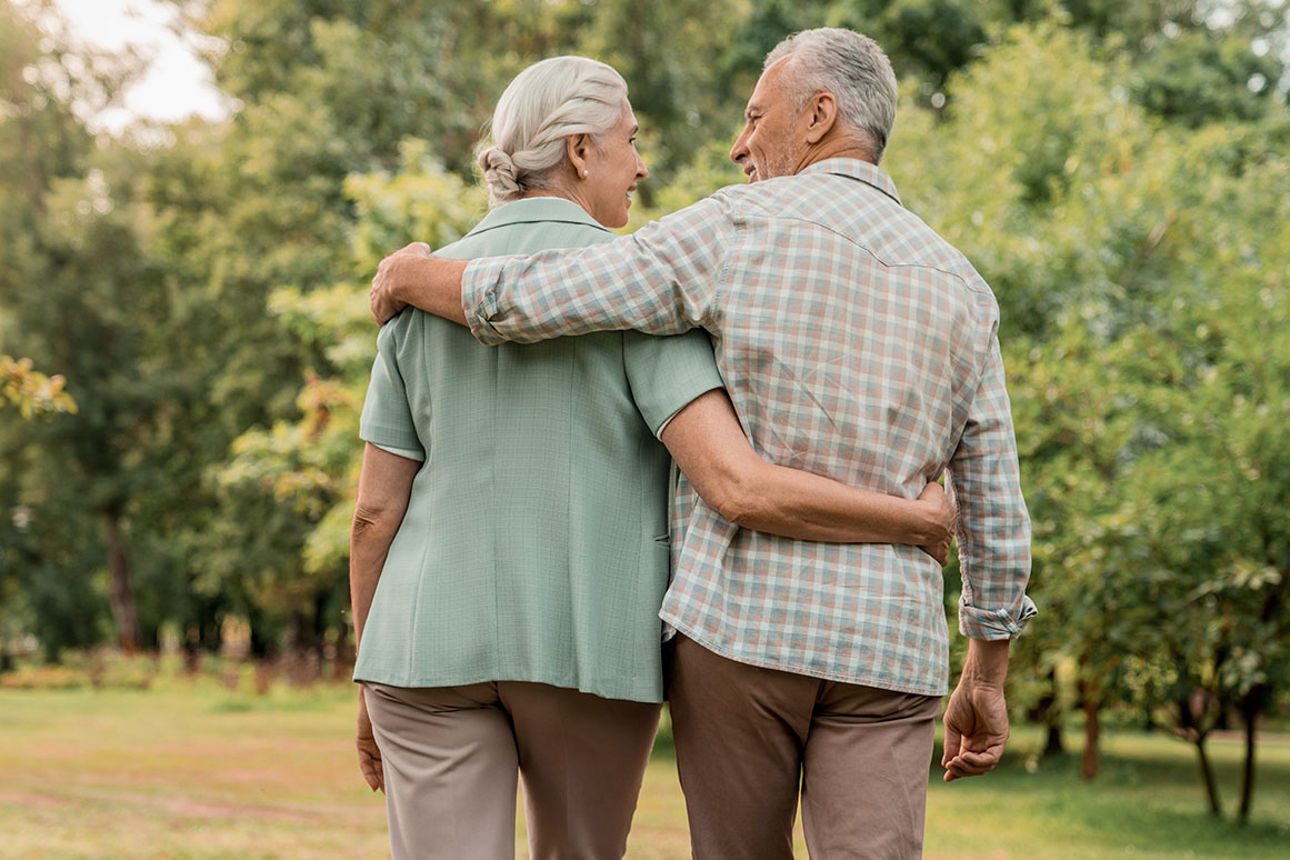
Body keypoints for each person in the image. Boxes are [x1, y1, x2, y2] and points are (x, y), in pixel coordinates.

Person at [368, 29, 1037, 860]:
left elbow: (549, 293)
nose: (738, 143)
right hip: (888, 644)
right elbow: (996, 507)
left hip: (740, 631)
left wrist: (410, 276)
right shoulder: (964, 286)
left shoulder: (731, 229)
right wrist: (986, 671)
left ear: (819, 115)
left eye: (756, 117)